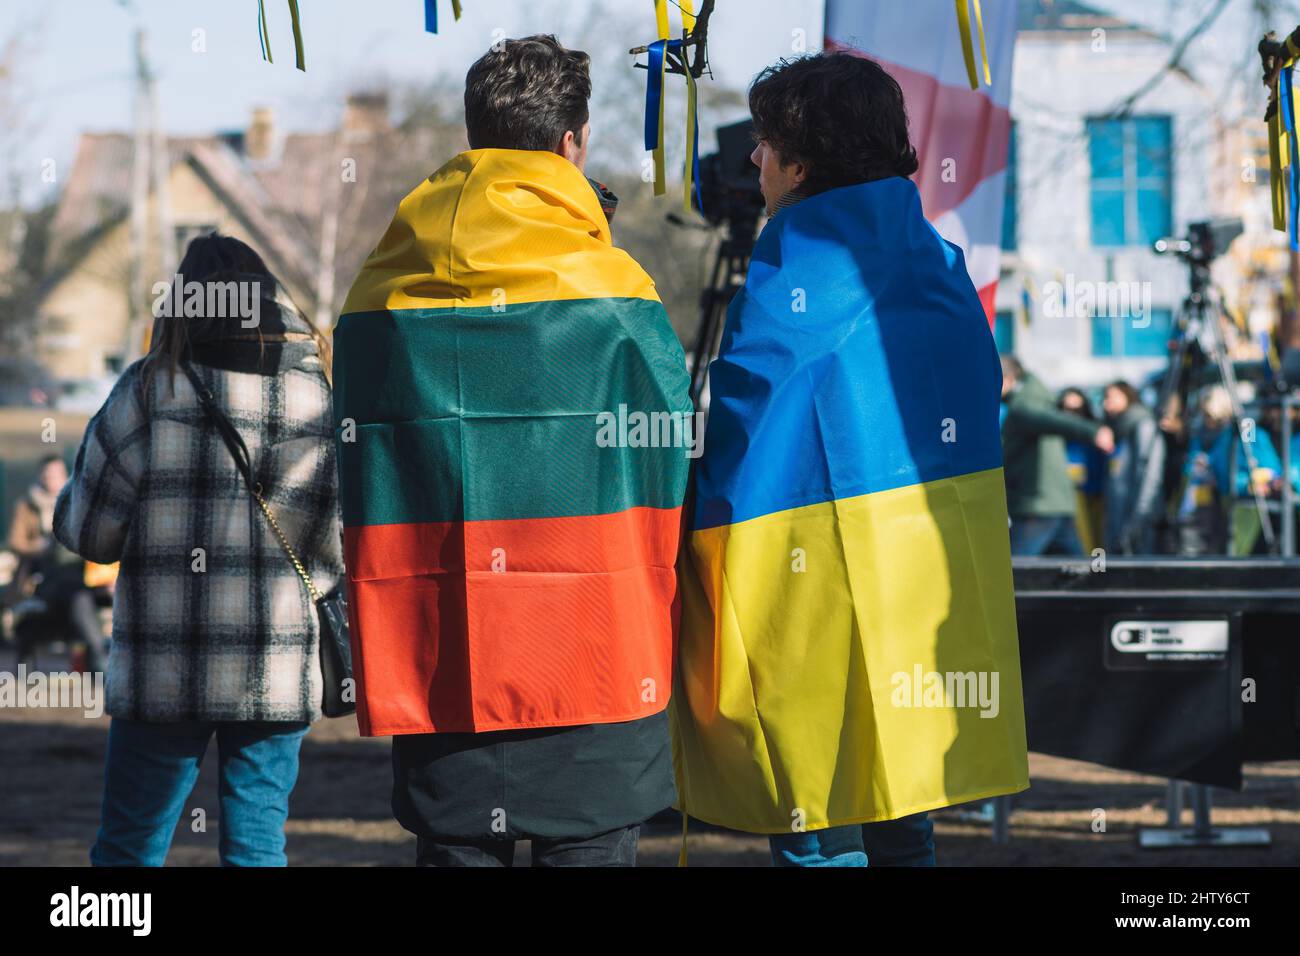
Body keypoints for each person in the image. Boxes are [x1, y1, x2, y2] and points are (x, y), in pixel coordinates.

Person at [333, 35, 692, 867]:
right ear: (573, 142)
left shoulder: (378, 291)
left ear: (473, 134)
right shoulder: (616, 292)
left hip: (443, 660)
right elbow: (672, 451)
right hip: (596, 657)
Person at [670, 52, 1028, 868]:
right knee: (902, 800)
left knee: (816, 813)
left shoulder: (800, 269)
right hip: (929, 576)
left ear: (800, 161)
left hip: (807, 583)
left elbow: (743, 424)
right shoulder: (939, 260)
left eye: (765, 143)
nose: (753, 160)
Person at [54, 234, 344, 866]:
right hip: (276, 669)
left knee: (130, 846)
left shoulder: (146, 390)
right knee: (258, 848)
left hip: (165, 669)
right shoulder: (317, 398)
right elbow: (336, 546)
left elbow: (91, 534)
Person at [1000, 358, 1114, 555]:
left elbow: (1053, 421)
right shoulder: (1034, 399)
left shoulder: (1023, 407)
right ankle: (1099, 585)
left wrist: (1093, 432)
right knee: (1075, 569)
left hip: (1036, 505)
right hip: (1055, 502)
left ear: (1007, 379)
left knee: (1014, 571)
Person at [7, 454, 110, 672]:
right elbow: (15, 541)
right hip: (45, 576)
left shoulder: (79, 505)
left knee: (80, 598)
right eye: (47, 474)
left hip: (80, 579)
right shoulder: (29, 504)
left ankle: (97, 659)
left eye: (56, 474)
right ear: (40, 476)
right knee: (79, 598)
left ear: (65, 476)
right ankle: (99, 660)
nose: (51, 479)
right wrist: (39, 546)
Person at [1102, 380, 1168, 554]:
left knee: (1140, 573)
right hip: (1120, 514)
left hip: (1137, 516)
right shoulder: (1117, 427)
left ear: (1128, 396)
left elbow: (1150, 472)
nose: (1105, 403)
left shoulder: (1143, 425)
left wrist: (1140, 514)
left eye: (1111, 397)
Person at [1057, 387, 1107, 554]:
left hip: (1096, 494)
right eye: (1067, 409)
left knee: (1099, 541)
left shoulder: (1094, 433)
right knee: (1082, 542)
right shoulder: (1056, 436)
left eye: (1077, 409)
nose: (1072, 414)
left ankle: (1098, 573)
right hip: (1071, 495)